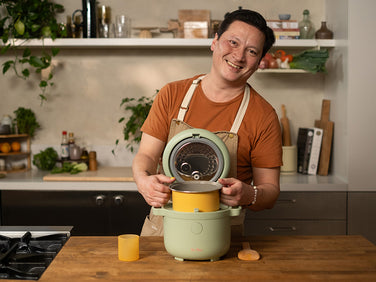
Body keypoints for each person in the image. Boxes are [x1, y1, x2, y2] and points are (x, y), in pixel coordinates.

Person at [132, 9, 282, 236]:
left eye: (251, 51)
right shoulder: (172, 94)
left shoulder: (263, 116)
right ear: (214, 42)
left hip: (223, 238)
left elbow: (270, 191)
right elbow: (147, 156)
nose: (239, 56)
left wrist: (249, 194)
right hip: (163, 232)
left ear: (259, 61)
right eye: (233, 42)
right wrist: (144, 181)